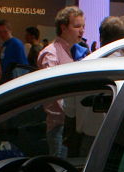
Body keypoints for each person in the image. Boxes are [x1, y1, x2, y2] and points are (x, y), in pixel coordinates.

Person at [37, 6, 86, 157]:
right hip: (60, 126)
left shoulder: (75, 52)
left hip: (71, 124)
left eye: (83, 26)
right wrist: (72, 112)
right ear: (63, 27)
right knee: (60, 168)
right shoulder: (51, 54)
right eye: (77, 26)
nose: (82, 31)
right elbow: (53, 90)